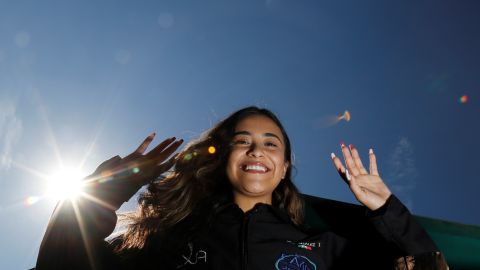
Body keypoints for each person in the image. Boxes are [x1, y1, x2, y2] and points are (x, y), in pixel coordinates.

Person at [36, 106, 448, 270]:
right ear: (223, 157)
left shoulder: (324, 248)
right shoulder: (165, 239)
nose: (256, 149)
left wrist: (385, 207)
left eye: (271, 143)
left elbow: (428, 266)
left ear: (284, 168)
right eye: (242, 140)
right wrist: (111, 184)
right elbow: (59, 261)